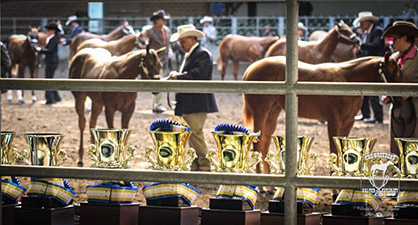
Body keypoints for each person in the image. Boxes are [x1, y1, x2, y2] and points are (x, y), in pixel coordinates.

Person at [169, 24, 218, 171]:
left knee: (195, 133)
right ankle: (197, 164)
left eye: (183, 41)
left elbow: (199, 74)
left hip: (196, 101)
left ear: (191, 39)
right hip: (192, 100)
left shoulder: (201, 54)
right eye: (179, 42)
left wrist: (179, 76)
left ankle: (205, 165)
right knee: (192, 134)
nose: (180, 45)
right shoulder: (197, 53)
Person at [381, 21, 418, 155]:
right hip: (397, 109)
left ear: (404, 38)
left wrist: (411, 92)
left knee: (412, 146)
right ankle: (397, 170)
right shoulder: (394, 58)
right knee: (396, 144)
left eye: (394, 39)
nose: (392, 43)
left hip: (415, 110)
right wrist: (388, 94)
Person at [354, 11, 385, 124]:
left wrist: (360, 45)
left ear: (368, 22)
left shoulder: (377, 31)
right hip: (367, 65)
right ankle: (365, 114)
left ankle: (378, 116)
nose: (360, 25)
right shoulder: (366, 32)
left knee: (373, 91)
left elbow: (376, 46)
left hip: (375, 65)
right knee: (365, 91)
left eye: (362, 23)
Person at [145, 9, 172, 113]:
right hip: (155, 62)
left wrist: (170, 51)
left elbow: (168, 45)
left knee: (163, 81)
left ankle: (158, 104)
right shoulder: (150, 32)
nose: (164, 21)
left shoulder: (167, 31)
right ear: (157, 20)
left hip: (165, 60)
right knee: (158, 82)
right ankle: (156, 104)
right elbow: (146, 45)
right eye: (162, 19)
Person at [37, 23, 61, 104]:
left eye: (49, 30)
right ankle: (56, 97)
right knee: (50, 77)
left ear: (53, 31)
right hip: (52, 60)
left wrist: (40, 50)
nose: (48, 31)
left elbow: (50, 50)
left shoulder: (53, 39)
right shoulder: (51, 38)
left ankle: (50, 98)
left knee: (48, 78)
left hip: (52, 60)